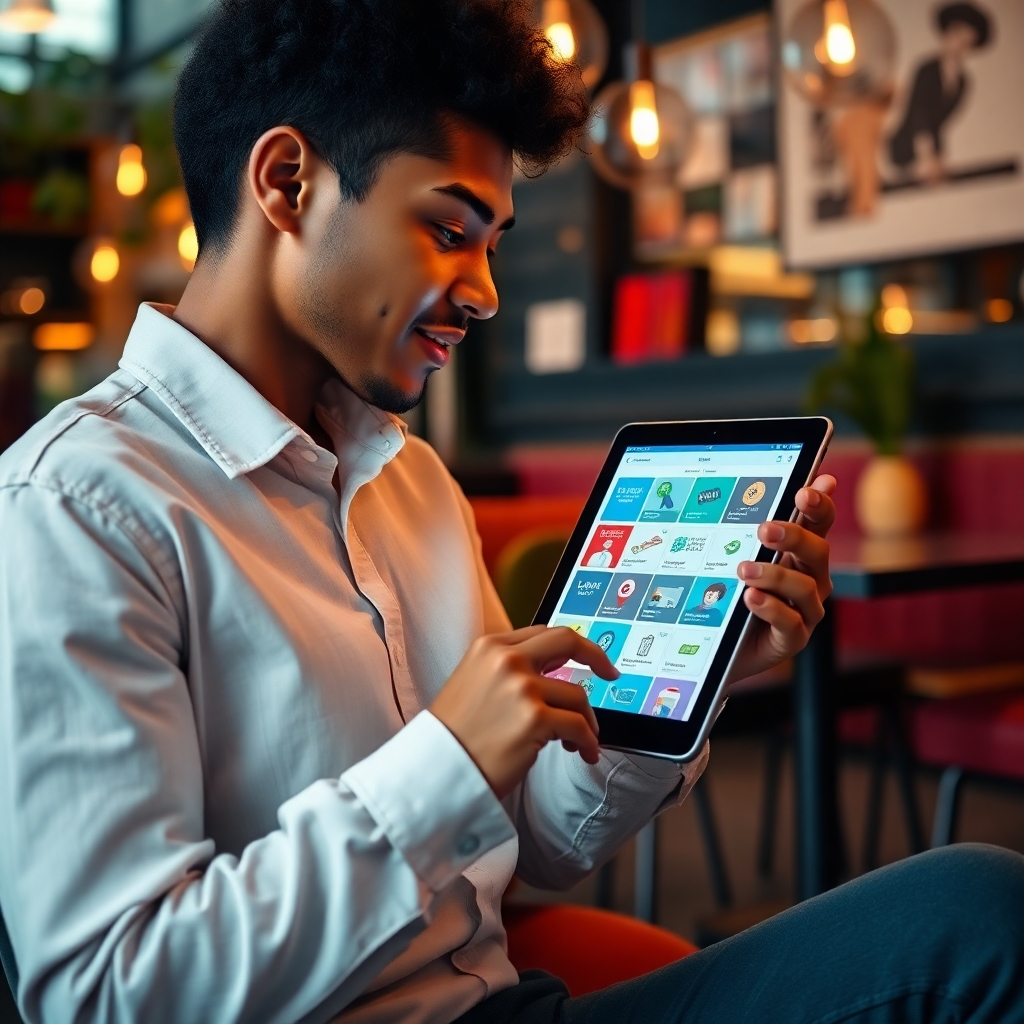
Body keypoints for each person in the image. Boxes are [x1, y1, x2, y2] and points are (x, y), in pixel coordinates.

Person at [0, 1, 1021, 1023]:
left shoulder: (413, 482)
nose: (485, 292)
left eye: (492, 245)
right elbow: (108, 993)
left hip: (506, 1003)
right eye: (449, 231)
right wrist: (446, 761)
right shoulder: (77, 508)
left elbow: (543, 840)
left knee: (973, 907)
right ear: (287, 183)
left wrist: (685, 680)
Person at [888, 1, 993, 183]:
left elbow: (939, 124)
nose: (959, 46)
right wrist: (926, 157)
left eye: (967, 43)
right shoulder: (927, 70)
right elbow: (919, 114)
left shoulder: (962, 81)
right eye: (957, 36)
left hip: (932, 148)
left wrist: (939, 156)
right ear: (947, 34)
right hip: (905, 147)